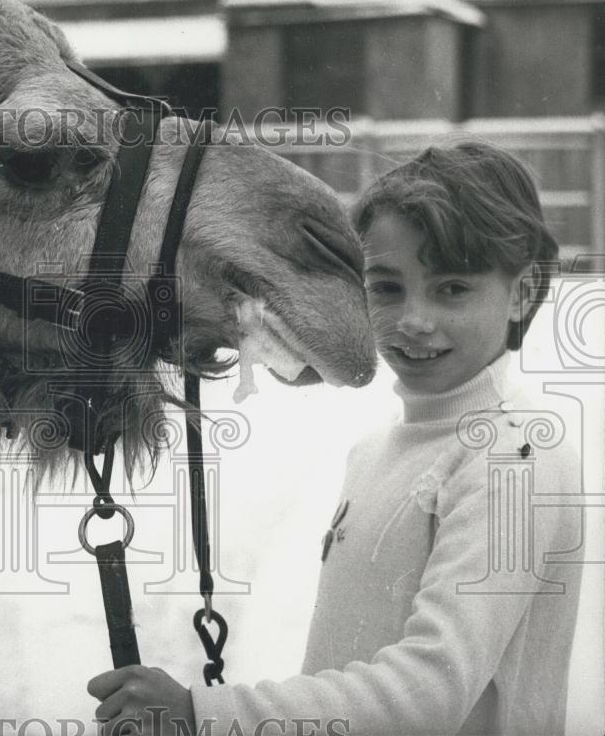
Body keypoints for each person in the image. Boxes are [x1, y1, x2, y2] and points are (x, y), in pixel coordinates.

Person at [87, 142, 585, 735]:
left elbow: (432, 691)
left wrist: (205, 714)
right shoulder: (378, 451)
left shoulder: (515, 458)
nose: (413, 319)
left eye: (453, 289)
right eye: (388, 287)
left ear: (523, 293)